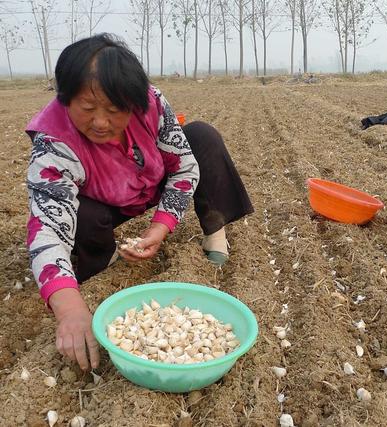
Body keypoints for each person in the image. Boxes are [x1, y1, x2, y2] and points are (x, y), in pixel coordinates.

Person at [25, 34, 254, 370]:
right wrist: (69, 307)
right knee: (84, 216)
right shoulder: (54, 143)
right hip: (103, 201)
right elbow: (47, 225)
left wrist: (160, 227)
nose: (101, 122)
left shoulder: (151, 104)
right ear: (65, 100)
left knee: (202, 137)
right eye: (87, 109)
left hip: (150, 182)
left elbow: (185, 167)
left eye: (114, 110)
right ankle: (103, 258)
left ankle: (215, 232)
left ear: (132, 103)